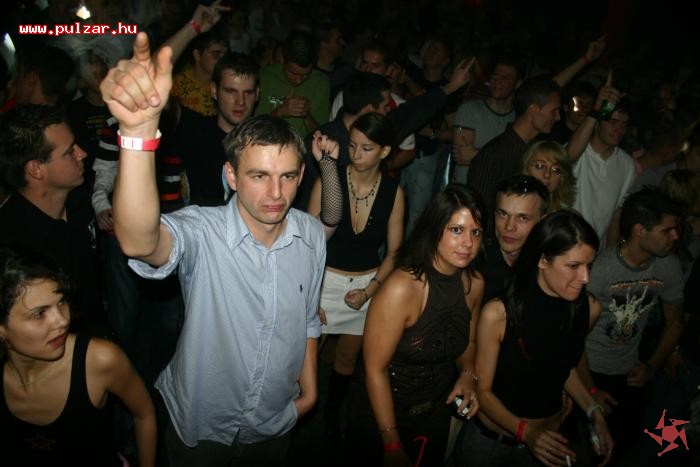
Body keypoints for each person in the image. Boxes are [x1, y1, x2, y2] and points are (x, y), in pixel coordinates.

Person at [101, 32, 326, 466]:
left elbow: (307, 320)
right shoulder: (203, 231)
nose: (276, 193)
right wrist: (137, 135)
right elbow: (138, 241)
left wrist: (309, 393)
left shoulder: (311, 235)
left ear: (301, 176)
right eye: (259, 176)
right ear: (232, 176)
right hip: (202, 426)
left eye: (288, 177)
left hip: (275, 422)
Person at [456, 210, 613, 466]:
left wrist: (594, 412)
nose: (585, 278)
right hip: (493, 445)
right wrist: (526, 433)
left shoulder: (587, 308)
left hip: (550, 442)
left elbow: (563, 367)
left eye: (589, 266)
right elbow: (482, 392)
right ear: (542, 260)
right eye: (573, 266)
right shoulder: (499, 314)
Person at [347, 184, 485, 466]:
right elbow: (375, 368)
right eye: (456, 230)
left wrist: (468, 373)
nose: (468, 243)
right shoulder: (402, 288)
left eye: (476, 232)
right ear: (434, 230)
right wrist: (391, 442)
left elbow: (468, 341)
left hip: (435, 412)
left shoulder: (474, 284)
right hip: (382, 414)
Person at [0, 246, 156, 467]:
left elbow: (144, 413)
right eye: (39, 314)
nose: (62, 321)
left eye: (61, 302)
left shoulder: (101, 360)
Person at [307, 112, 405, 439]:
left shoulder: (394, 192)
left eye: (366, 148)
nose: (356, 154)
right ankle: (299, 415)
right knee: (305, 358)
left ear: (385, 151)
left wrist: (370, 291)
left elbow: (394, 252)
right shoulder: (328, 181)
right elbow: (306, 245)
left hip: (366, 284)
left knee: (347, 360)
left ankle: (332, 414)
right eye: (351, 146)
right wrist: (311, 296)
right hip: (324, 281)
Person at [579, 187, 684, 463]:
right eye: (667, 230)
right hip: (590, 372)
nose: (675, 236)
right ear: (639, 230)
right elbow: (573, 338)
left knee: (624, 449)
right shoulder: (599, 270)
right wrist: (589, 391)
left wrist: (651, 365)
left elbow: (675, 321)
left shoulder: (668, 266)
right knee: (588, 452)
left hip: (630, 375)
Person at [0, 105, 103, 333]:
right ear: (36, 169)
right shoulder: (12, 244)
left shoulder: (81, 204)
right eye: (69, 152)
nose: (82, 153)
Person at [467, 75, 561, 222]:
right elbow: (480, 215)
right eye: (553, 111)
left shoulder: (535, 151)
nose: (558, 117)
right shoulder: (494, 155)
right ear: (533, 110)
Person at [482, 175, 549, 304]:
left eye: (522, 218)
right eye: (503, 214)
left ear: (542, 221)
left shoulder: (549, 266)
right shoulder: (475, 263)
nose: (509, 227)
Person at [256, 30, 330, 137]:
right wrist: (279, 112)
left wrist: (306, 115)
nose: (298, 80)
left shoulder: (321, 83)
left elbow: (322, 137)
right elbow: (253, 130)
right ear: (282, 59)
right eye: (293, 73)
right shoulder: (264, 77)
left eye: (305, 75)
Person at [520, 140, 577, 212]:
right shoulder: (512, 207)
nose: (547, 174)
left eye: (556, 169)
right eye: (540, 166)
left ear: (562, 178)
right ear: (526, 171)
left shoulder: (567, 216)